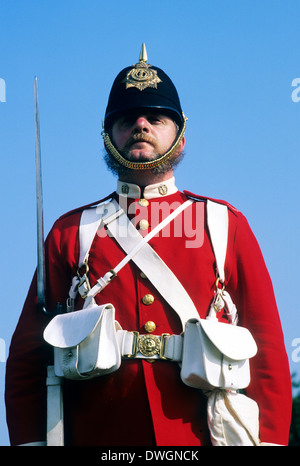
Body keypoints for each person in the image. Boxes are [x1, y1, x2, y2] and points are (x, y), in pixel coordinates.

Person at [5, 44, 292, 446]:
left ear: (181, 134)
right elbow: (27, 364)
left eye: (155, 118)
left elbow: (267, 355)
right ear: (108, 135)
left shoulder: (225, 224)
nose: (140, 124)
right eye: (126, 119)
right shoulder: (70, 232)